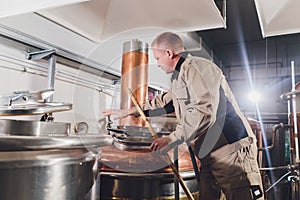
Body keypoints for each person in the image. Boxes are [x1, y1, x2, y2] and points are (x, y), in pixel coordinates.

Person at [103, 32, 264, 200]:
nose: (157, 64)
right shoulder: (179, 78)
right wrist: (128, 111)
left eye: (157, 58)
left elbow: (204, 110)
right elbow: (163, 104)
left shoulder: (199, 67)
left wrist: (172, 138)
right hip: (209, 154)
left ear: (169, 53)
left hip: (230, 150)